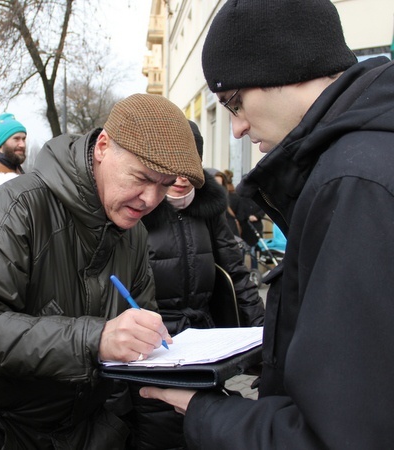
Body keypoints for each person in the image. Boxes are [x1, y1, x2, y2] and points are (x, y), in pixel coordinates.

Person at [139, 0, 394, 448]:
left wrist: (205, 410)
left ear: (286, 66)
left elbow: (339, 435)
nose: (235, 128)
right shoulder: (365, 158)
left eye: (234, 103)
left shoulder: (353, 181)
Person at [0, 93, 206, 449]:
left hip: (85, 430)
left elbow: (142, 342)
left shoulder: (134, 233)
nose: (150, 199)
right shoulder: (19, 206)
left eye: (165, 185)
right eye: (141, 177)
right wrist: (96, 341)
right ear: (103, 146)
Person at [126, 121, 264, 449]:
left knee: (202, 429)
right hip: (152, 349)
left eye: (192, 164)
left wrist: (267, 344)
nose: (183, 175)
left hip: (204, 345)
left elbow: (238, 275)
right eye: (175, 165)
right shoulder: (136, 209)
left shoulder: (208, 209)